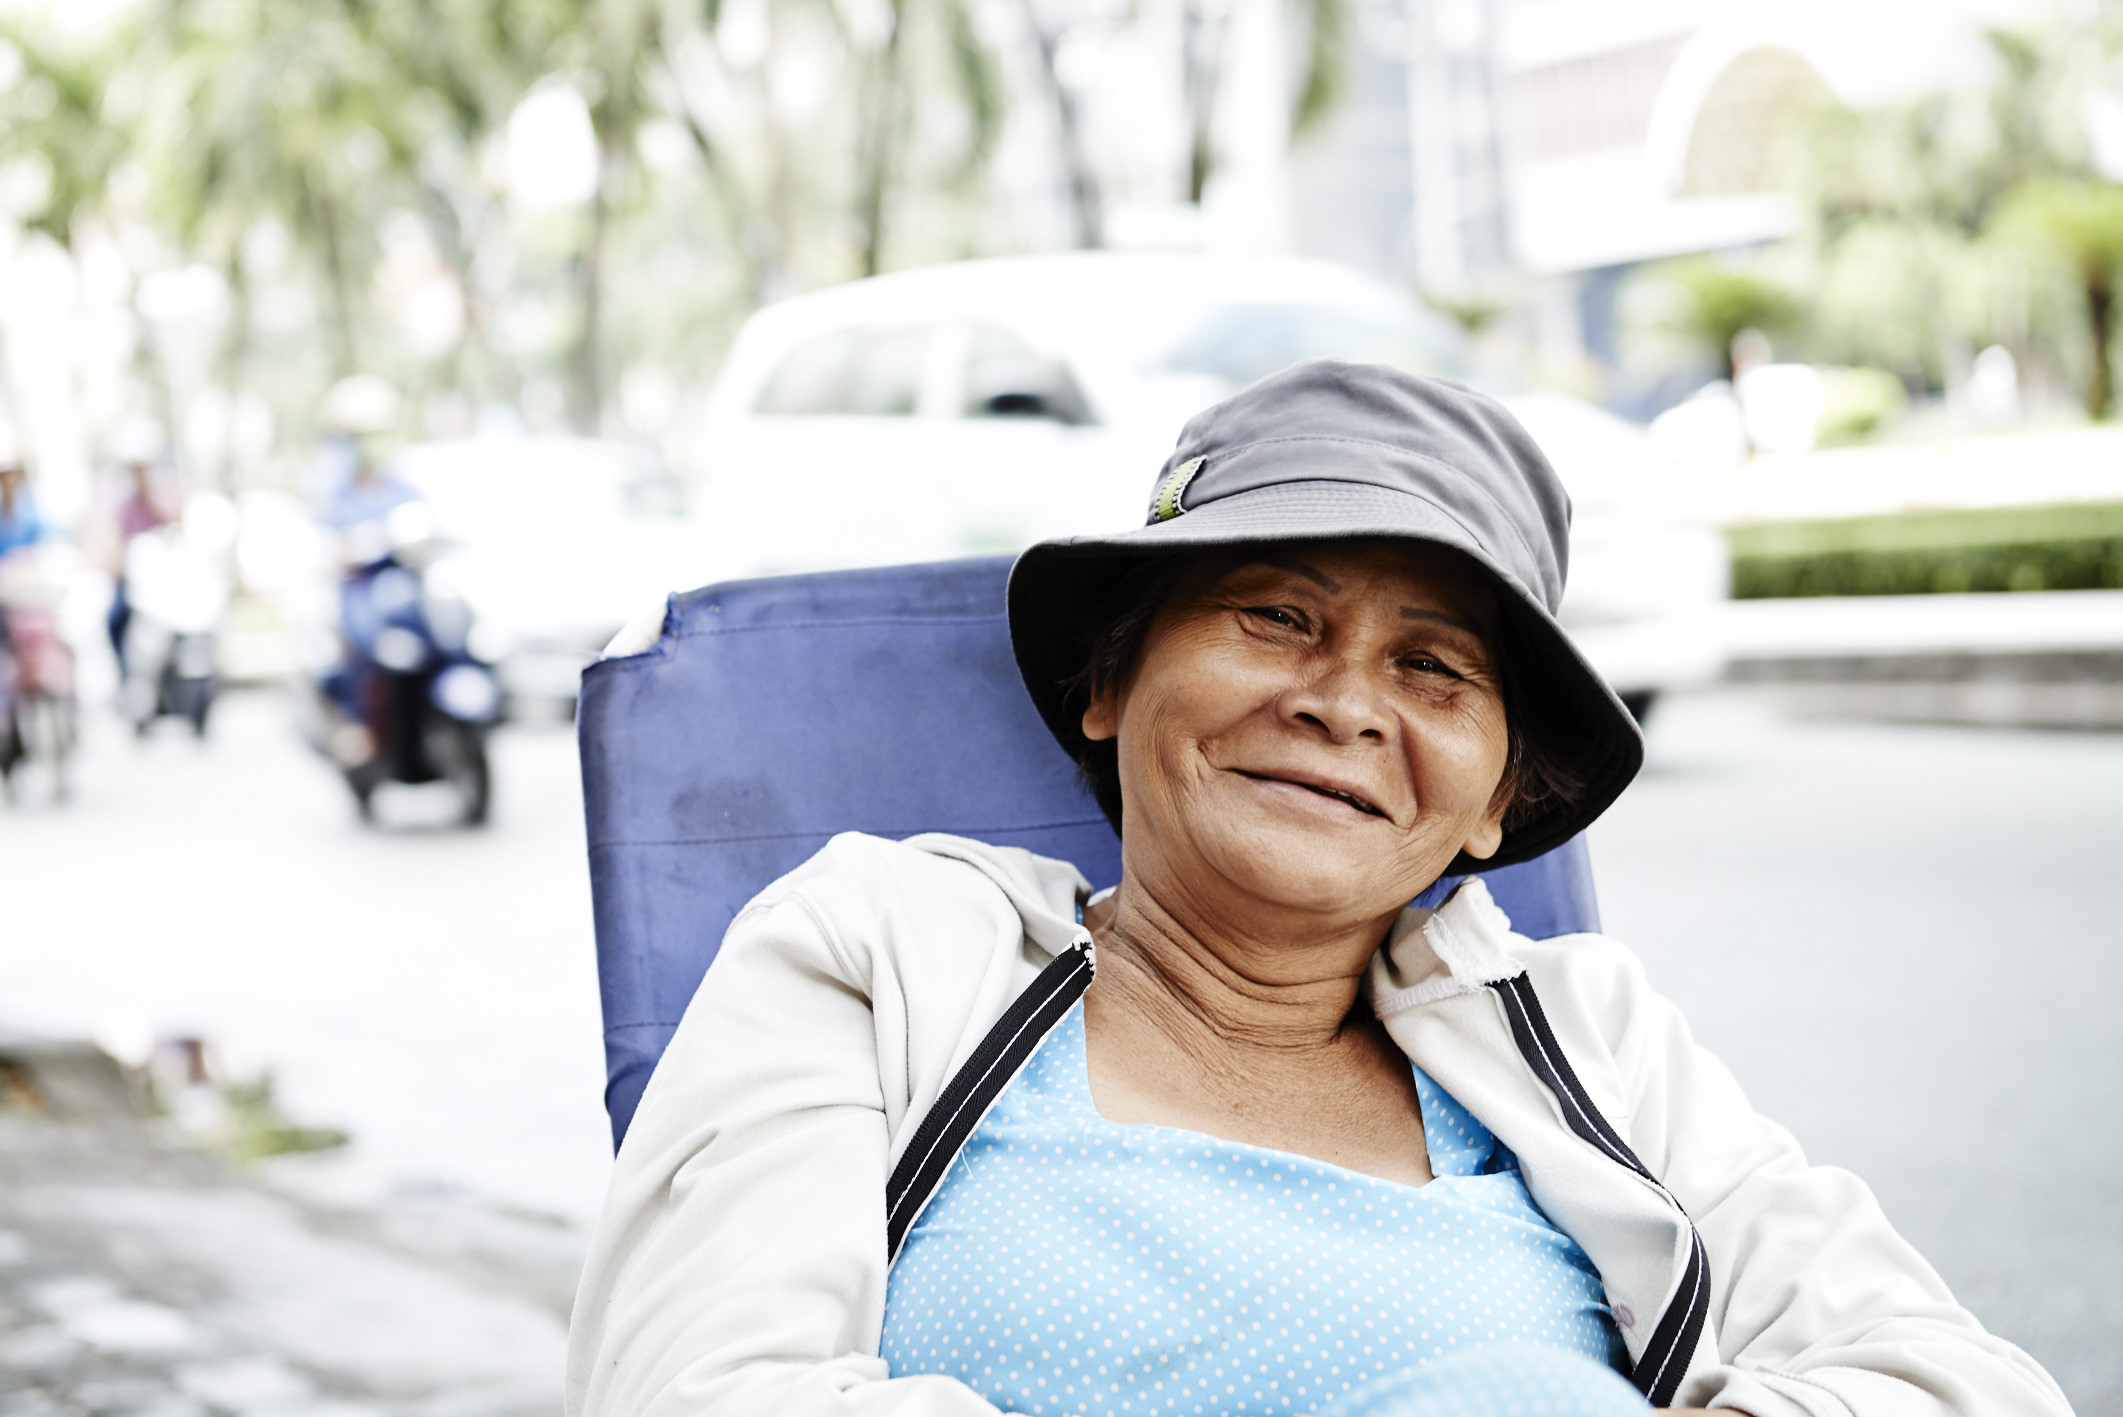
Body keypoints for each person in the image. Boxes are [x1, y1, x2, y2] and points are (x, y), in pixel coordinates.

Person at [565, 364, 2068, 1417]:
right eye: (1276, 615)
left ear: (1494, 800)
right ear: (1110, 682)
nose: (1345, 703)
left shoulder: (1590, 1036)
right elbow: (700, 1390)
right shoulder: (875, 948)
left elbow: (1963, 1382)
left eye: (1434, 667)